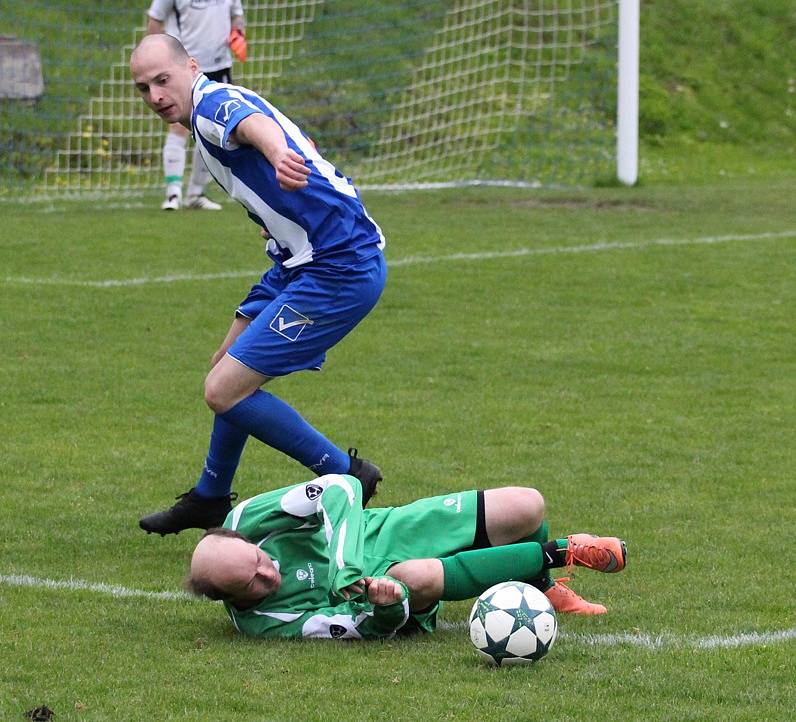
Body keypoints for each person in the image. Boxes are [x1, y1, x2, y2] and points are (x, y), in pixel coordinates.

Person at [130, 35, 387, 535]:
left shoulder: (211, 104)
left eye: (163, 80)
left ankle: (346, 475)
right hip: (299, 262)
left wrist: (275, 153)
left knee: (223, 390)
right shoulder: (205, 115)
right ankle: (209, 497)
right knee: (226, 372)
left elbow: (253, 126)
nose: (156, 95)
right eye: (144, 88)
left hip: (339, 266)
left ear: (191, 66)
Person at [187, 476, 628, 639]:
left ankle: (542, 588)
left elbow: (342, 488)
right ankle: (563, 552)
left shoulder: (246, 518)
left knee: (528, 504)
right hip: (385, 589)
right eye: (253, 583)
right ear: (225, 597)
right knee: (412, 577)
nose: (269, 571)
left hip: (388, 529)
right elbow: (353, 627)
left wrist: (345, 565)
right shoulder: (262, 624)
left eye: (258, 559)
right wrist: (384, 603)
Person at [146, 0, 247, 210]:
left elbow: (236, 16)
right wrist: (153, 59)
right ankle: (173, 194)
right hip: (184, 66)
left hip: (220, 65)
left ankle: (196, 193)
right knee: (180, 125)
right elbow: (155, 19)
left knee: (214, 128)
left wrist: (238, 32)